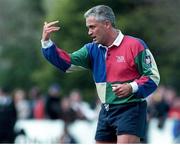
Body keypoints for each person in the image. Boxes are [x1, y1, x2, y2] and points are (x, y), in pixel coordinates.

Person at [41, 5, 160, 143]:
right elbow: (66, 63)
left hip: (130, 108)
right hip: (105, 110)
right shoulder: (91, 49)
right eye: (88, 28)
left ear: (107, 24)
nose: (89, 32)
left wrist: (131, 87)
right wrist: (46, 42)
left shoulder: (135, 45)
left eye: (92, 27)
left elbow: (153, 77)